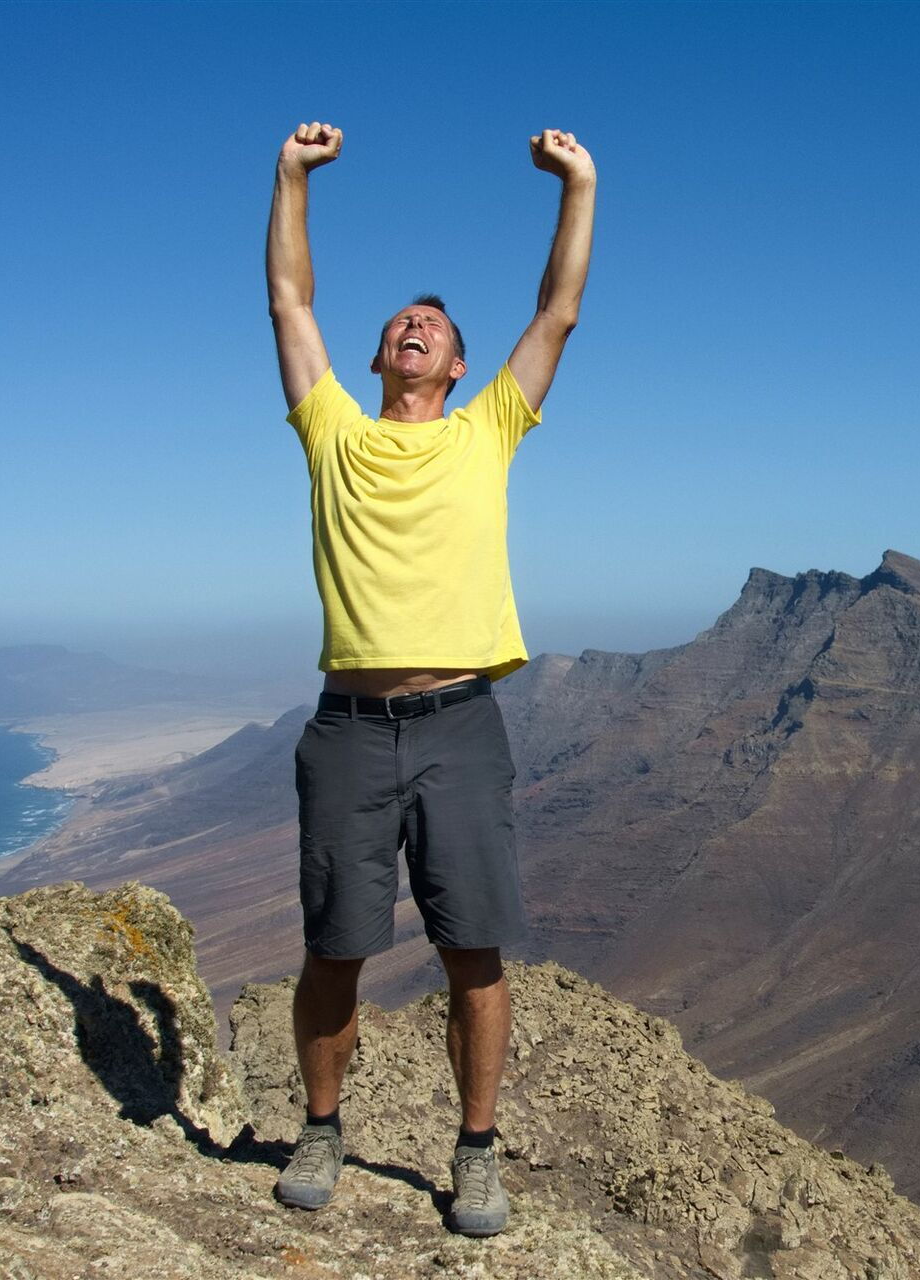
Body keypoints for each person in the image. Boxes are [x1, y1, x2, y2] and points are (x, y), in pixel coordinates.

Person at [262, 118, 594, 1236]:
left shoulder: (486, 429)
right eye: (401, 322)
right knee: (334, 949)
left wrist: (579, 186)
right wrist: (291, 176)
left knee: (474, 953)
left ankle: (477, 1151)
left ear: (457, 368)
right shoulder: (333, 434)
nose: (416, 327)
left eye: (436, 327)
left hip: (461, 724)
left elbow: (558, 311)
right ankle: (321, 1126)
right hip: (349, 727)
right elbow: (289, 301)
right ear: (377, 360)